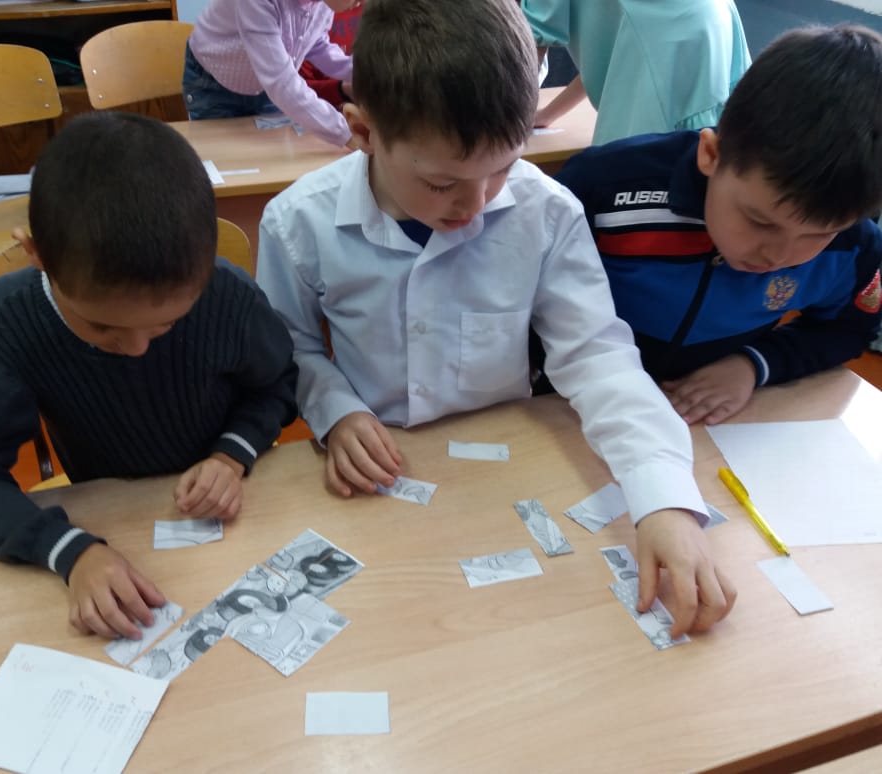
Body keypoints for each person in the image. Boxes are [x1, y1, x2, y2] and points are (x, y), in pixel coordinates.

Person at [255, 0, 736, 637]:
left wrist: (664, 498)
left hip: (506, 469)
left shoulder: (547, 211)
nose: (477, 205)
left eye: (503, 168)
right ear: (364, 133)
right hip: (380, 470)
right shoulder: (296, 222)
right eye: (442, 183)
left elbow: (597, 356)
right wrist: (336, 410)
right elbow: (289, 348)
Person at [0, 112, 299, 641]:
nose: (137, 348)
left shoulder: (228, 296)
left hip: (229, 510)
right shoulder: (6, 325)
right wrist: (69, 551)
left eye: (167, 324)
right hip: (105, 517)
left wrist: (232, 454)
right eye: (102, 327)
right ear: (36, 254)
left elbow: (277, 384)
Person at [554, 24, 882, 426]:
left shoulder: (854, 245)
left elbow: (847, 330)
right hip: (565, 398)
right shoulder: (603, 186)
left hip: (705, 422)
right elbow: (524, 291)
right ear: (710, 154)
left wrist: (752, 365)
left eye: (818, 235)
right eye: (760, 221)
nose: (777, 256)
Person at [521, 0, 750, 145]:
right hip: (712, 21)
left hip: (669, 38)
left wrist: (511, 119)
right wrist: (547, 114)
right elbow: (618, 57)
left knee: (633, 176)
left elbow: (530, 46)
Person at [183, 0, 361, 148]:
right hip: (214, 84)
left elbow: (316, 44)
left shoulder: (323, 4)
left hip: (268, 88)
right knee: (224, 160)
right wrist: (346, 133)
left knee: (274, 160)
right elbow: (281, 83)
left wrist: (363, 73)